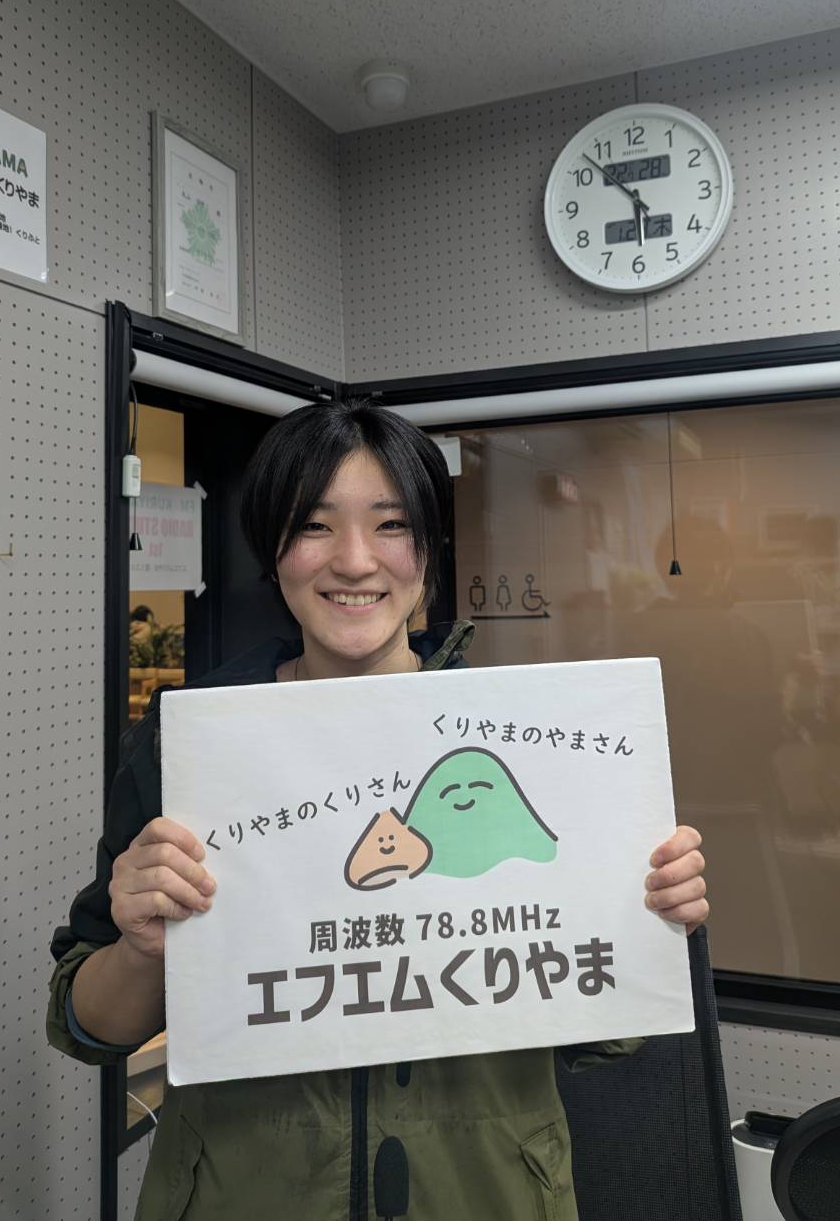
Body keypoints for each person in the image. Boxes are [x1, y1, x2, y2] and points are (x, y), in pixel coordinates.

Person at [48, 399, 710, 1221]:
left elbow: (606, 1032)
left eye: (391, 524)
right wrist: (144, 947)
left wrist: (648, 916)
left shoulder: (526, 743)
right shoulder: (192, 743)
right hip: (239, 1191)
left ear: (428, 547)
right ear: (273, 549)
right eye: (313, 525)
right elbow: (88, 1026)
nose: (355, 561)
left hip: (484, 1192)